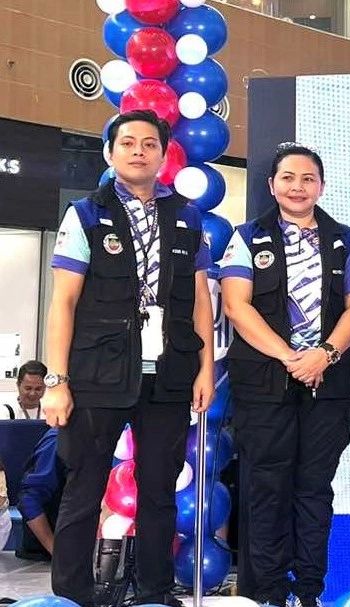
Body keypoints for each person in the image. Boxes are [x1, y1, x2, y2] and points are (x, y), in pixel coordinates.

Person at [41, 109, 215, 607]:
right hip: (98, 374)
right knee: (83, 487)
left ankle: (155, 592)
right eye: (128, 143)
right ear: (110, 153)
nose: (139, 151)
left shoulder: (185, 214)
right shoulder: (86, 213)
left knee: (159, 490)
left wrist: (206, 369)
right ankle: (72, 595)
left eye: (149, 144)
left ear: (163, 155)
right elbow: (64, 301)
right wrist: (57, 379)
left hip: (168, 376)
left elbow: (200, 299)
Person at [219, 143, 350, 607]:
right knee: (266, 488)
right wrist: (291, 357)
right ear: (272, 185)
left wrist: (323, 355)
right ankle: (267, 593)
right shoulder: (246, 237)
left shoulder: (346, 239)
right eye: (288, 178)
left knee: (313, 490)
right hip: (264, 385)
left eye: (308, 179)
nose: (298, 187)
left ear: (321, 186)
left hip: (330, 384)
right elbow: (236, 305)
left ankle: (309, 592)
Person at [15, 428, 65, 561]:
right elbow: (29, 500)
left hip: (98, 551)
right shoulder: (58, 440)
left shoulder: (118, 436)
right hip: (49, 554)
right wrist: (58, 555)